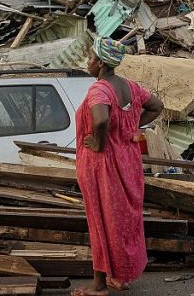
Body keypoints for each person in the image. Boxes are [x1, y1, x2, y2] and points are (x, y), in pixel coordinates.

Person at [72, 37, 165, 296]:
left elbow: (100, 119)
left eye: (91, 57)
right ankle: (119, 277)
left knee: (101, 220)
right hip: (128, 161)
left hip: (103, 165)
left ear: (101, 63)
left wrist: (100, 143)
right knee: (123, 220)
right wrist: (132, 126)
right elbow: (156, 106)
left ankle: (98, 285)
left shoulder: (99, 89)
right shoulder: (130, 87)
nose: (88, 62)